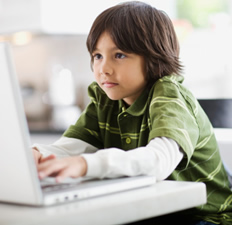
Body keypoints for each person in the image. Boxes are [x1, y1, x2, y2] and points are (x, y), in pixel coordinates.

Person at [32, 1, 232, 224]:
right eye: (97, 56)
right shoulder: (105, 99)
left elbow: (158, 161)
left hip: (207, 216)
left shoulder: (170, 96)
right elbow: (69, 148)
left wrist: (85, 164)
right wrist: (37, 153)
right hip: (156, 212)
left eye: (118, 55)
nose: (103, 69)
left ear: (155, 58)